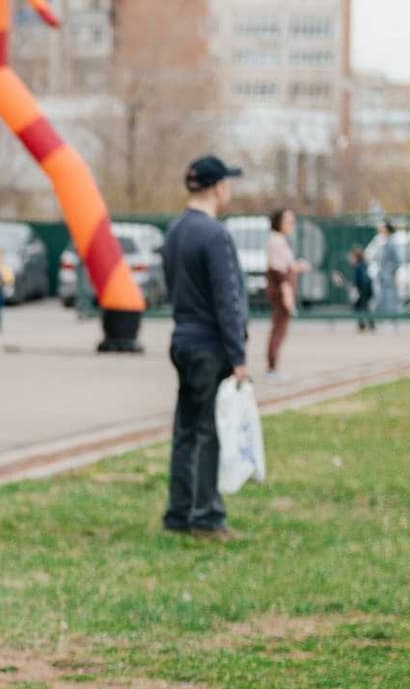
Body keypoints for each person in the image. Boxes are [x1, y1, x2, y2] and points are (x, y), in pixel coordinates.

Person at [158, 155, 249, 541]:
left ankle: (179, 511)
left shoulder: (175, 230)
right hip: (209, 345)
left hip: (182, 339)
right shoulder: (214, 235)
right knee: (208, 431)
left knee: (186, 429)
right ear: (218, 187)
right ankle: (206, 516)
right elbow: (227, 299)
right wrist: (238, 354)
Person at [264, 208, 307, 380]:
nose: (292, 225)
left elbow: (288, 266)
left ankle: (273, 367)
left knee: (280, 329)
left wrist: (298, 267)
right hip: (281, 292)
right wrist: (288, 295)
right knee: (279, 329)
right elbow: (280, 272)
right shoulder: (276, 242)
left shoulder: (280, 240)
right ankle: (272, 368)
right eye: (289, 221)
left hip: (283, 290)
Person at [344, 246, 376, 333]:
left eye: (352, 258)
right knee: (365, 308)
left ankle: (363, 325)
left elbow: (359, 281)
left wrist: (357, 290)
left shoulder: (358, 267)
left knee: (360, 308)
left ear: (356, 258)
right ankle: (368, 325)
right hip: (366, 291)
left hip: (363, 291)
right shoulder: (364, 266)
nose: (350, 260)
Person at [376, 221, 401, 322]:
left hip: (388, 275)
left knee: (389, 297)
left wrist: (389, 272)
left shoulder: (391, 243)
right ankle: (382, 317)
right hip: (384, 275)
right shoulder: (386, 242)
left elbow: (396, 261)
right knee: (383, 296)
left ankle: (391, 317)